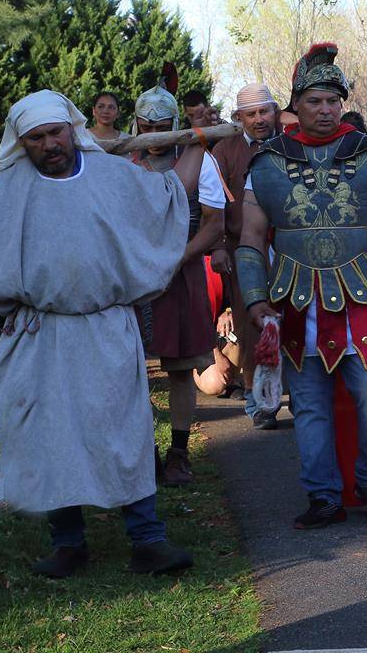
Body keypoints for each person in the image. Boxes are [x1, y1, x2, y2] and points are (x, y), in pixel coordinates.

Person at [0, 90, 196, 578]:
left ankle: (147, 539)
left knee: (124, 430)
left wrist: (200, 144)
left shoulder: (112, 175)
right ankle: (68, 544)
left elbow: (167, 200)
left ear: (71, 129)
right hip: (38, 332)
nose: (49, 144)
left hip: (106, 327)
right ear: (22, 142)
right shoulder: (5, 191)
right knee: (49, 434)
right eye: (36, 138)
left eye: (55, 133)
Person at [236, 43, 367, 528]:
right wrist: (255, 299)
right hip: (293, 301)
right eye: (314, 101)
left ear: (342, 104)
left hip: (363, 296)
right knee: (310, 407)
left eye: (332, 101)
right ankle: (324, 497)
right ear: (296, 105)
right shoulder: (266, 162)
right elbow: (251, 239)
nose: (325, 109)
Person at [132, 75, 226, 487]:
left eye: (161, 126)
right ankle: (141, 453)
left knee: (181, 369)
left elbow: (213, 225)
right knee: (128, 368)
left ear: (174, 122)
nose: (153, 135)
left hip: (181, 273)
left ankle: (178, 454)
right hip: (131, 278)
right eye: (146, 127)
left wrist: (177, 259)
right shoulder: (121, 162)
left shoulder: (201, 160)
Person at [210, 83, 279, 429]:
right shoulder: (225, 149)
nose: (259, 119)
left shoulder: (290, 145)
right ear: (239, 118)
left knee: (294, 319)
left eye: (264, 111)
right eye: (250, 114)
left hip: (289, 247)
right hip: (244, 248)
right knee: (251, 322)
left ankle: (302, 394)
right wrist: (220, 244)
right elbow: (214, 202)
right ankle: (259, 402)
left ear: (275, 111)